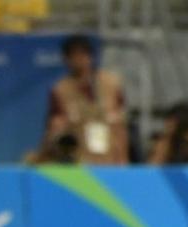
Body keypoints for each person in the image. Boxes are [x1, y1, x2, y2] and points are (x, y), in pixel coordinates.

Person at [41, 34, 128, 164]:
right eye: (73, 56)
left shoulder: (111, 83)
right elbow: (55, 126)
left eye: (82, 54)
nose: (79, 60)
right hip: (79, 160)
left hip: (110, 156)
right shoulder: (60, 89)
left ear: (90, 56)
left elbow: (121, 125)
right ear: (66, 59)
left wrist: (123, 160)